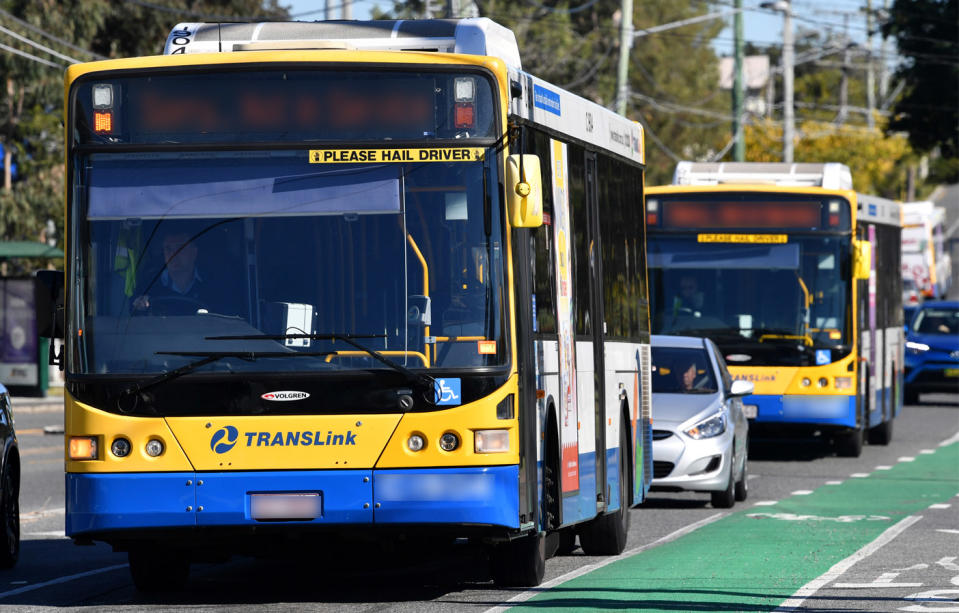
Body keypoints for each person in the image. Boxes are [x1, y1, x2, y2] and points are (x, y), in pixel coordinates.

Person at [132, 231, 214, 314]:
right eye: (168, 249)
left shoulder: (212, 284)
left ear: (194, 252)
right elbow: (132, 316)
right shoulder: (148, 284)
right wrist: (140, 306)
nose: (173, 254)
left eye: (180, 248)